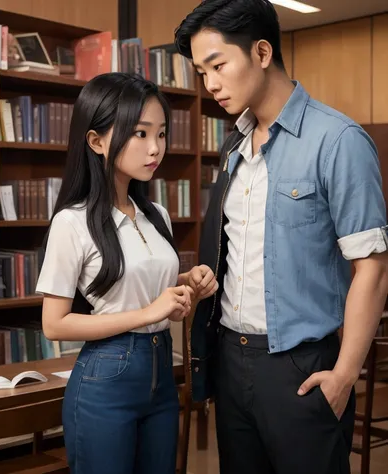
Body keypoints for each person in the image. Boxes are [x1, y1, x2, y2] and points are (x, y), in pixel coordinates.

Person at [174, 1, 388, 473]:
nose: (209, 83)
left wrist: (344, 376)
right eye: (200, 71)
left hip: (303, 365)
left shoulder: (339, 140)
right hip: (232, 357)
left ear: (263, 52)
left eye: (218, 65)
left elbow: (371, 269)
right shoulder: (233, 146)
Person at [35, 72, 218, 474]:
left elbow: (155, 297)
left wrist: (188, 286)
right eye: (140, 133)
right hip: (106, 377)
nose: (155, 148)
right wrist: (150, 312)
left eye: (162, 134)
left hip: (162, 375)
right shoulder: (72, 221)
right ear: (97, 141)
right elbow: (54, 324)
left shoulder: (158, 215)